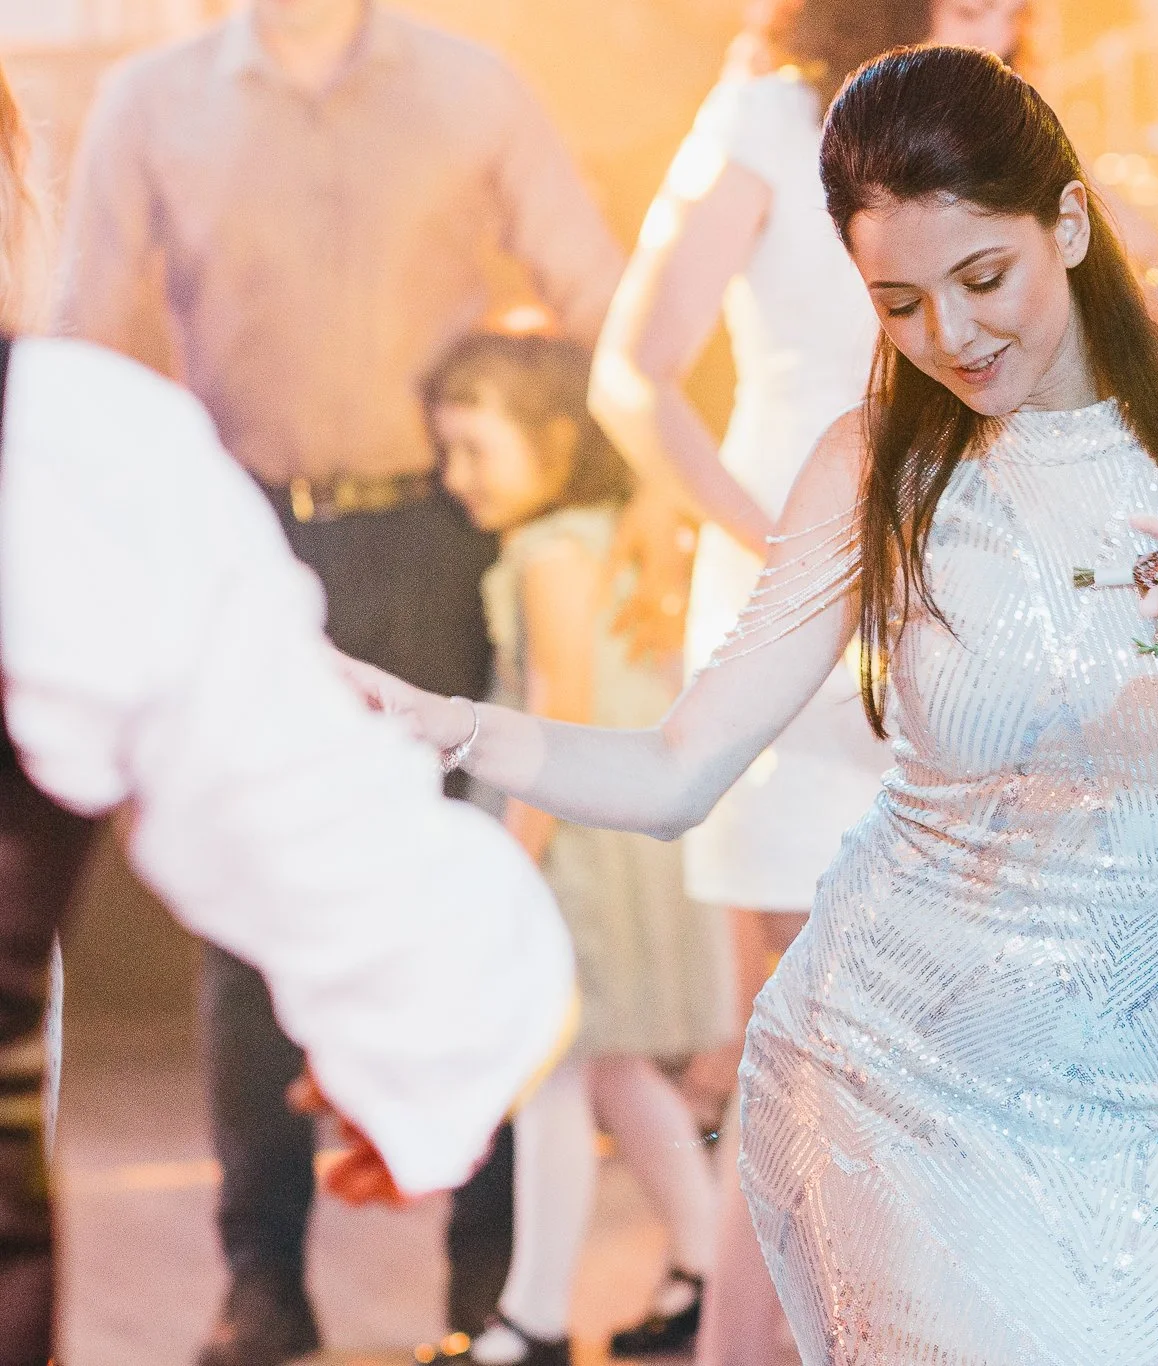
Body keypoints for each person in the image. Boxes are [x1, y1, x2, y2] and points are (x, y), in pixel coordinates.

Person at [349, 44, 1158, 1363]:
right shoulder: (875, 464)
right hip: (892, 1070)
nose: (952, 336)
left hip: (1138, 1109)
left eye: (983, 279)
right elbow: (676, 768)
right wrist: (457, 728)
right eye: (899, 304)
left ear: (1068, 222)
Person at [49, 3, 661, 1361]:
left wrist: (652, 501)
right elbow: (80, 336)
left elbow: (604, 303)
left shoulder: (476, 87)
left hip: (442, 538)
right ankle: (262, 1280)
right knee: (245, 921)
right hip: (239, 539)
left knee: (480, 887)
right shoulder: (150, 102)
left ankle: (489, 1287)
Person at [587, 4, 926, 1361]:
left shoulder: (988, 123)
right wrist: (779, 545)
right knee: (805, 1032)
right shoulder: (767, 118)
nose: (1008, 18)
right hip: (798, 576)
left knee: (923, 1028)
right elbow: (633, 371)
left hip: (949, 583)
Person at [401, 334, 735, 1366]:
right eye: (446, 453)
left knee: (549, 1074)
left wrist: (510, 860)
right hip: (619, 846)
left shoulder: (549, 552)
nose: (456, 477)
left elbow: (561, 707)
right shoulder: (603, 537)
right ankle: (707, 1269)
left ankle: (535, 1318)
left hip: (573, 856)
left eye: (476, 450)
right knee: (618, 1073)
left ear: (553, 441)